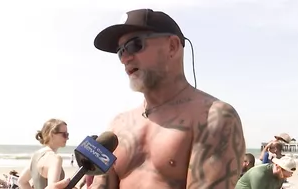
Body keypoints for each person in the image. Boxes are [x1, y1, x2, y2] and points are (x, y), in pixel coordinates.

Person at [88, 8, 246, 189]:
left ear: (172, 46)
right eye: (120, 51)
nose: (125, 58)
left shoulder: (213, 117)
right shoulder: (118, 125)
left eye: (134, 45)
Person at [18, 119, 69, 189]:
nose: (67, 138)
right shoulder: (55, 159)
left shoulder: (36, 156)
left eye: (67, 134)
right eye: (64, 134)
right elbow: (52, 187)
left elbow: (21, 182)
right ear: (52, 134)